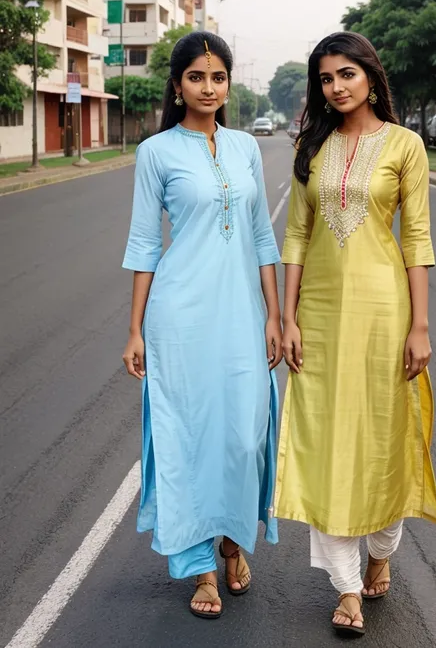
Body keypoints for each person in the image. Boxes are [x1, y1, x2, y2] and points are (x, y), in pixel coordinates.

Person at [274, 31, 436, 636]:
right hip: (318, 313)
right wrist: (287, 316)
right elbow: (295, 235)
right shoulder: (311, 146)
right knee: (325, 438)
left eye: (346, 74)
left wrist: (419, 326)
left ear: (371, 75)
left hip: (384, 310)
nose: (336, 87)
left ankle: (380, 551)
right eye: (325, 78)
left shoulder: (405, 146)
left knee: (382, 434)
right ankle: (346, 586)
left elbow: (417, 240)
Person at [122, 31, 282, 619]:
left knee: (245, 436)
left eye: (217, 78)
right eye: (196, 77)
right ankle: (201, 568)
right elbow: (144, 243)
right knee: (188, 440)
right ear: (178, 84)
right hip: (179, 319)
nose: (208, 88)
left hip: (242, 315)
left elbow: (263, 236)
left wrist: (275, 315)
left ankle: (235, 540)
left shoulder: (244, 148)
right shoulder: (156, 152)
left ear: (228, 85)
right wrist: (135, 328)